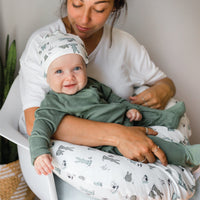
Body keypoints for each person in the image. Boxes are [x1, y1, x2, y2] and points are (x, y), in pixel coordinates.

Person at [19, 0, 195, 199]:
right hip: (90, 156)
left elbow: (162, 81)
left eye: (99, 9)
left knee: (174, 130)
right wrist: (119, 136)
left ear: (115, 6)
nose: (84, 18)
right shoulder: (43, 43)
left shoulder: (124, 43)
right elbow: (36, 123)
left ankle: (184, 163)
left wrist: (164, 89)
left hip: (127, 122)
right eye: (77, 4)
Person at [29, 32, 200, 176]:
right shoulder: (52, 103)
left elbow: (113, 97)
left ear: (84, 67)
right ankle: (188, 155)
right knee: (152, 144)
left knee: (140, 109)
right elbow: (39, 129)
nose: (70, 77)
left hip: (122, 115)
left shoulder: (92, 84)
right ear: (47, 77)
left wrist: (131, 109)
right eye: (59, 71)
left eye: (77, 69)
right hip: (109, 141)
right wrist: (39, 154)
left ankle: (167, 118)